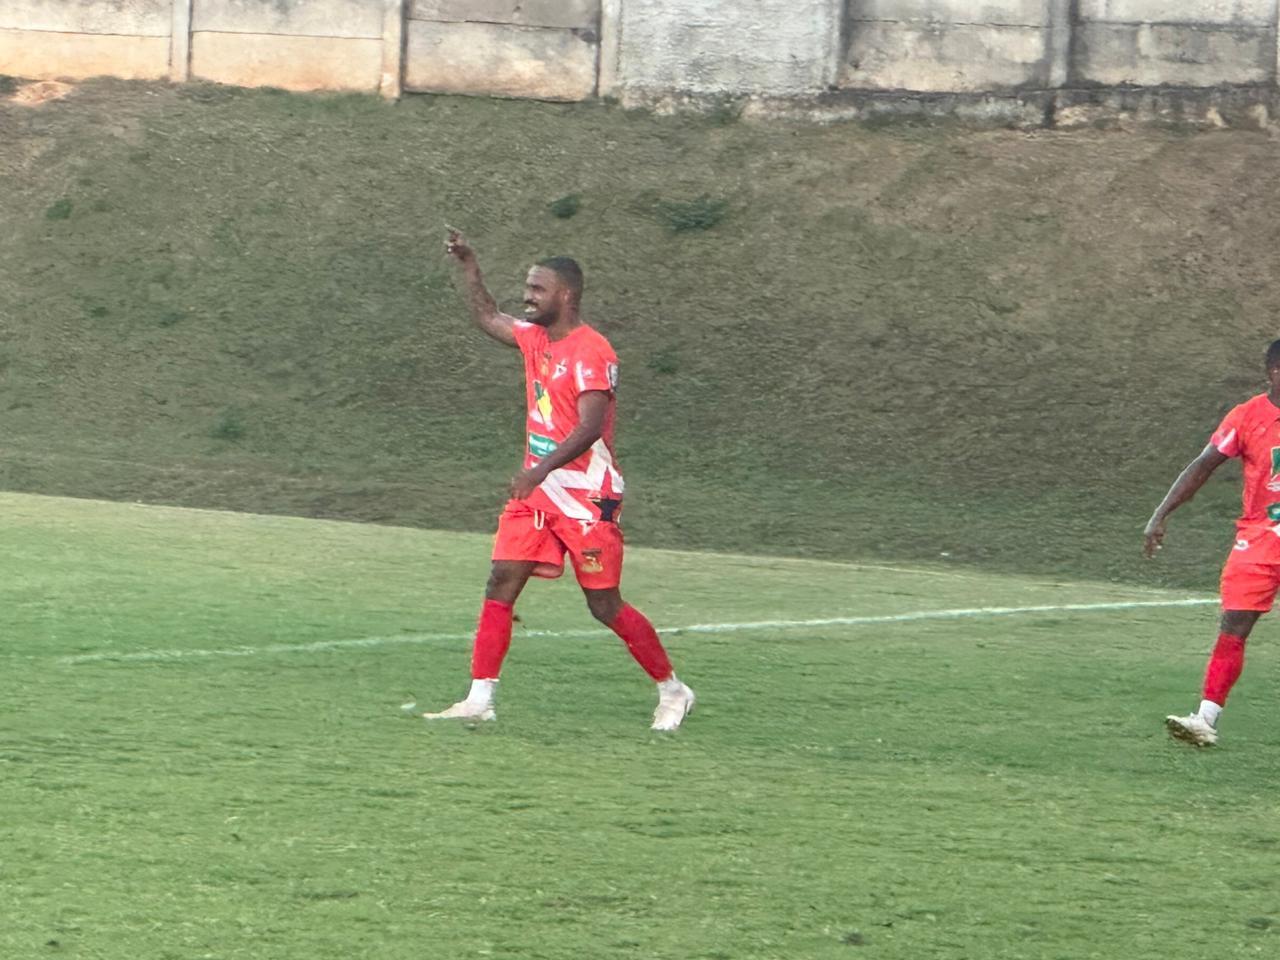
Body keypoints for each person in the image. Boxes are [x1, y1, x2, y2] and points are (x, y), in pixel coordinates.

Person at [418, 230, 696, 730]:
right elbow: (488, 317)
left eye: (537, 289)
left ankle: (673, 690)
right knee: (501, 580)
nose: (527, 297)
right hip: (538, 493)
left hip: (589, 496)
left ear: (565, 295)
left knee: (603, 604)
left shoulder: (593, 351)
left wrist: (539, 469)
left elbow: (590, 427)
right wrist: (470, 265)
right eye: (527, 287)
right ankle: (479, 699)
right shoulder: (534, 338)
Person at [1146, 338, 1280, 746]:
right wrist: (1161, 513)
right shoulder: (1247, 417)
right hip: (1259, 539)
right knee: (1234, 625)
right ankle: (1204, 721)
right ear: (1274, 372)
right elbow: (1204, 464)